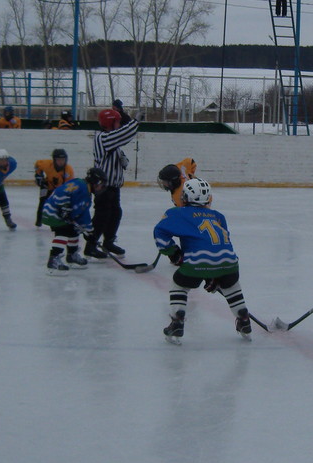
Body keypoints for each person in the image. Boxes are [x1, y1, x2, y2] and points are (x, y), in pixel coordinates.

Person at [153, 177, 252, 344]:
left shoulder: (177, 213)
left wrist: (173, 252)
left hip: (196, 263)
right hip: (229, 262)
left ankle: (177, 321)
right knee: (231, 285)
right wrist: (214, 276)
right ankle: (243, 319)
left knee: (179, 284)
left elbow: (160, 232)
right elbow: (218, 245)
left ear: (185, 197)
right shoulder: (218, 216)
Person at [86, 103, 139, 258]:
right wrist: (135, 122)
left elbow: (123, 157)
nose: (119, 125)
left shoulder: (111, 141)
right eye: (117, 122)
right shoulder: (103, 138)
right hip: (103, 187)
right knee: (102, 216)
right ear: (109, 123)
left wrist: (123, 160)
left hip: (113, 187)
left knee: (115, 213)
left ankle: (108, 241)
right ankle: (91, 245)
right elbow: (124, 135)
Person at [40, 167, 105, 273]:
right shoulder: (80, 186)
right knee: (63, 231)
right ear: (95, 182)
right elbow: (60, 192)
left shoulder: (86, 193)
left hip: (61, 214)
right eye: (101, 184)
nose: (101, 187)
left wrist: (90, 232)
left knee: (74, 230)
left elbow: (84, 214)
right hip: (53, 213)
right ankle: (53, 259)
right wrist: (64, 207)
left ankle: (72, 255)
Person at [34, 148, 74, 226]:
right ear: (54, 160)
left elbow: (69, 185)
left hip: (60, 189)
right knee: (42, 201)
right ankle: (39, 220)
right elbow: (37, 164)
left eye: (63, 160)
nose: (61, 162)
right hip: (47, 185)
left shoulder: (69, 170)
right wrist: (38, 175)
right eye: (58, 160)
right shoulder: (46, 164)